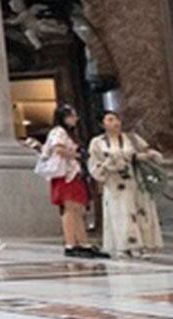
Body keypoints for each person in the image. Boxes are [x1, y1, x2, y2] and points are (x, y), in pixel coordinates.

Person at [89, 109, 164, 257]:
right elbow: (95, 165)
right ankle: (123, 246)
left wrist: (148, 156)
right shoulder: (97, 143)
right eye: (110, 120)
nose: (115, 123)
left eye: (116, 119)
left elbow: (146, 151)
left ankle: (143, 245)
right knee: (121, 213)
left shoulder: (132, 138)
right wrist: (109, 164)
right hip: (115, 184)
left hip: (136, 181)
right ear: (102, 124)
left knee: (140, 212)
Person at [39, 106, 105, 258]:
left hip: (74, 173)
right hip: (65, 174)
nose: (76, 119)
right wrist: (77, 155)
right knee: (70, 208)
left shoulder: (70, 133)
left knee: (79, 209)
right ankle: (70, 243)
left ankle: (83, 242)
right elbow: (58, 149)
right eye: (72, 116)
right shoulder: (59, 131)